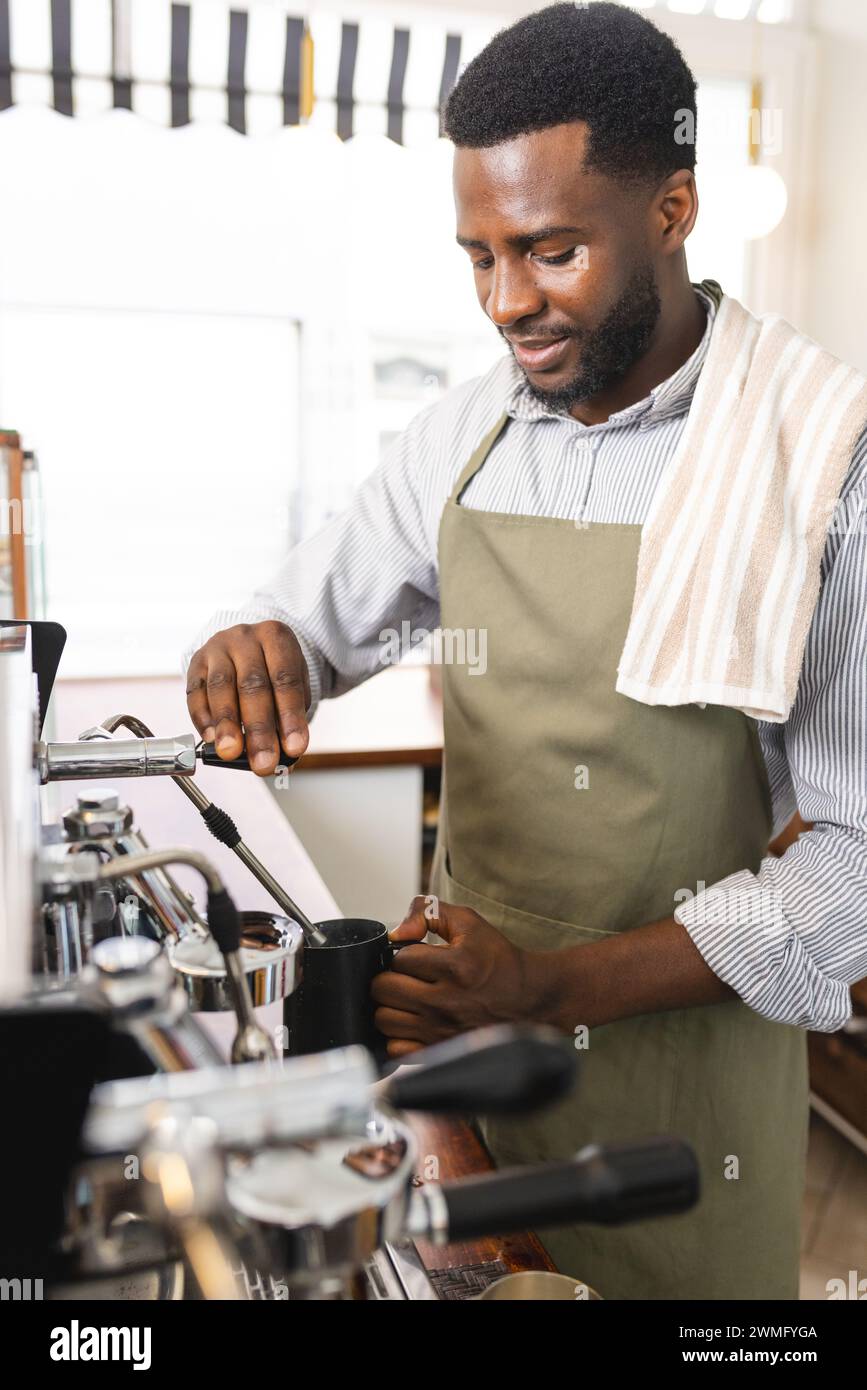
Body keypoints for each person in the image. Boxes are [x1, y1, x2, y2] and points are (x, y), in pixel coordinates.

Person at [184, 3, 867, 1299]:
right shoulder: (464, 435)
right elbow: (311, 624)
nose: (509, 303)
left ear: (673, 209)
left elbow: (860, 855)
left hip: (687, 1091)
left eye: (551, 250)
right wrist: (257, 646)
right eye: (480, 256)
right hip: (460, 1063)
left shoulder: (823, 456)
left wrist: (555, 984)